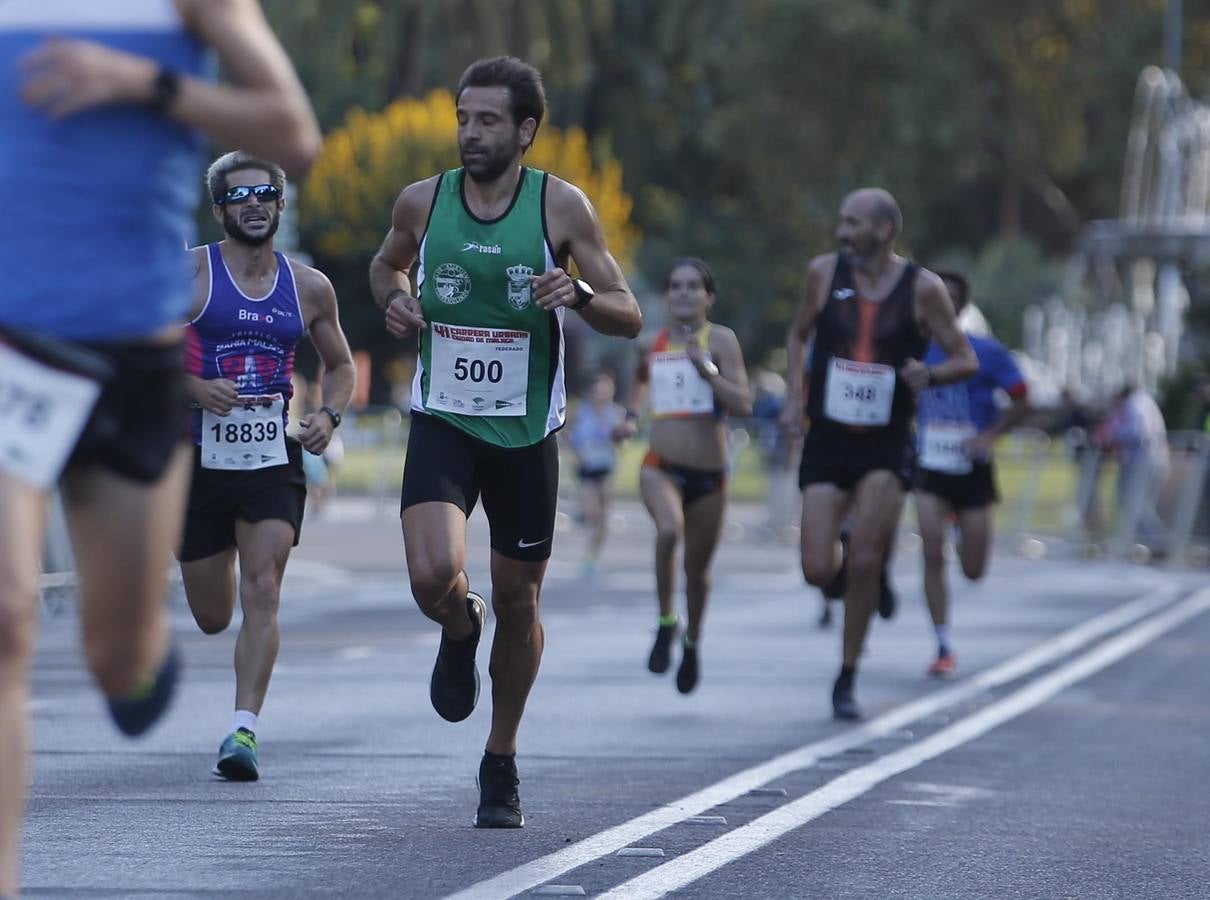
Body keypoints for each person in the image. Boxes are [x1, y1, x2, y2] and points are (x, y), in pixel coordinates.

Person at [0, 1, 319, 894]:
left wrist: (144, 83)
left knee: (118, 660)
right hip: (11, 340)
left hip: (129, 347)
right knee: (7, 616)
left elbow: (294, 132)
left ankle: (137, 647)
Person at [368, 56, 642, 828]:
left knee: (522, 601)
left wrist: (579, 294)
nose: (469, 133)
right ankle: (459, 625)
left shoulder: (562, 208)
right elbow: (385, 265)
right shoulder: (424, 202)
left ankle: (501, 759)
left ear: (525, 130)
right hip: (445, 419)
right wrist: (394, 299)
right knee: (431, 575)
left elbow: (627, 311)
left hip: (526, 432)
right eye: (462, 118)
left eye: (486, 120)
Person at [179, 151, 354, 781]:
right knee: (212, 614)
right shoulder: (190, 274)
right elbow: (142, 354)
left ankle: (243, 731)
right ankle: (211, 558)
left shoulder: (308, 287)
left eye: (266, 194)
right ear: (220, 208)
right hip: (197, 459)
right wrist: (195, 388)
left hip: (269, 457)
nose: (254, 203)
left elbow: (341, 366)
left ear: (280, 205)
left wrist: (328, 416)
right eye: (239, 195)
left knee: (264, 588)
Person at [781, 188, 977, 721]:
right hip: (828, 435)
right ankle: (853, 574)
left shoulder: (924, 288)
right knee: (818, 568)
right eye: (842, 221)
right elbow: (798, 336)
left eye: (853, 223)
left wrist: (931, 373)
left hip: (887, 441)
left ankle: (846, 675)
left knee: (866, 559)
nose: (843, 232)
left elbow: (964, 357)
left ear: (885, 230)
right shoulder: (824, 273)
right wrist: (794, 399)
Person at [628, 258, 751, 693]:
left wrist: (709, 371)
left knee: (698, 573)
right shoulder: (651, 343)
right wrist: (629, 415)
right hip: (661, 465)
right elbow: (640, 380)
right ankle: (666, 621)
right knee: (667, 531)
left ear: (708, 296)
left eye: (693, 286)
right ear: (666, 295)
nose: (684, 293)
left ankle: (693, 642)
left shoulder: (720, 340)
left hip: (710, 474)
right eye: (676, 286)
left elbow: (743, 402)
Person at [913, 270, 1030, 678]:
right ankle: (942, 642)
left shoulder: (985, 351)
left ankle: (961, 528)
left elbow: (1021, 399)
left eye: (952, 296)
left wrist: (988, 436)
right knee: (930, 553)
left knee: (973, 569)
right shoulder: (912, 350)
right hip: (929, 464)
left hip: (972, 466)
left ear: (960, 305)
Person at [566, 370, 628, 577]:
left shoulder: (616, 413)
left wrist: (620, 439)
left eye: (606, 390)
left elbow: (621, 439)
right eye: (599, 389)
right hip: (586, 468)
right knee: (592, 513)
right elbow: (564, 430)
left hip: (606, 467)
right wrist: (576, 450)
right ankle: (583, 515)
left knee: (603, 518)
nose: (602, 393)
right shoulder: (581, 411)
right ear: (592, 391)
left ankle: (591, 557)